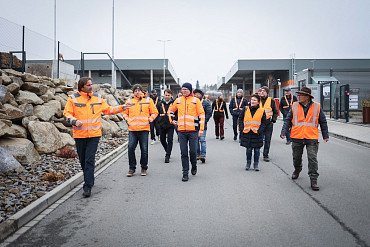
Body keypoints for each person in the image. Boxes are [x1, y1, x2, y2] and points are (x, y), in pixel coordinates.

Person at [63, 77, 130, 198]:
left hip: (94, 135)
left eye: (91, 84)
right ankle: (90, 179)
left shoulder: (98, 98)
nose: (91, 86)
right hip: (80, 134)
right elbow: (66, 114)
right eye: (88, 85)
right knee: (83, 160)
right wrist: (74, 121)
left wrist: (122, 107)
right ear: (81, 87)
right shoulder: (73, 99)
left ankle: (87, 186)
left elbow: (108, 110)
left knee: (89, 159)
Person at [280, 87, 329, 191]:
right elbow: (288, 120)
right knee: (296, 157)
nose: (299, 96)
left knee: (312, 158)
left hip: (311, 137)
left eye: (301, 95)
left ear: (307, 97)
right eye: (298, 94)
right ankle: (297, 169)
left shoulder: (317, 106)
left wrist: (325, 135)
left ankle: (313, 179)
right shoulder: (294, 105)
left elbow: (323, 121)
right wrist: (284, 131)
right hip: (297, 136)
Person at [169, 83, 205, 182]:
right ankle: (185, 173)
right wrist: (172, 120)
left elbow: (202, 114)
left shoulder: (196, 101)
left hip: (193, 131)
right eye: (182, 89)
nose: (184, 91)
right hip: (181, 131)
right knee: (183, 153)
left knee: (193, 152)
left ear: (190, 90)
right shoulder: (178, 100)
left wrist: (201, 129)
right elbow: (171, 111)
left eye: (186, 89)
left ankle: (194, 165)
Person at [123, 84, 158, 177]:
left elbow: (155, 112)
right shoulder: (129, 101)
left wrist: (150, 119)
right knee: (130, 148)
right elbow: (124, 113)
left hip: (144, 129)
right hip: (132, 129)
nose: (137, 92)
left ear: (142, 91)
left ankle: (144, 167)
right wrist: (128, 120)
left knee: (144, 149)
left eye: (139, 90)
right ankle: (132, 168)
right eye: (135, 90)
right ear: (133, 92)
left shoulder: (148, 101)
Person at [239, 94, 266, 171]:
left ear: (258, 102)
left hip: (257, 133)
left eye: (254, 100)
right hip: (247, 132)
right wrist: (241, 128)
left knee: (257, 150)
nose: (252, 101)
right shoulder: (245, 109)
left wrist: (260, 131)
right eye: (252, 100)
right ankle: (248, 163)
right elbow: (240, 119)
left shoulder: (261, 110)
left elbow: (264, 122)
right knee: (249, 149)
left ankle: (256, 164)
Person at [258, 86, 278, 161]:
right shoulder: (257, 100)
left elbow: (275, 111)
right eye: (261, 90)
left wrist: (273, 120)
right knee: (259, 139)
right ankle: (257, 152)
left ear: (267, 92)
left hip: (268, 123)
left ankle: (265, 155)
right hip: (259, 123)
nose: (262, 92)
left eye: (264, 91)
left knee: (267, 140)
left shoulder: (271, 100)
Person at [193, 89, 212, 163]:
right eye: (195, 94)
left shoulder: (205, 103)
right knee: (196, 140)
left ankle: (203, 155)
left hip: (203, 124)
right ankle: (198, 154)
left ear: (202, 95)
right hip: (194, 124)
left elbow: (209, 112)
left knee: (202, 140)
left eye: (198, 94)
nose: (197, 96)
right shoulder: (193, 103)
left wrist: (204, 121)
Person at [157, 88, 175, 163]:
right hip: (162, 124)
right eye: (166, 95)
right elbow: (156, 113)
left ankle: (167, 155)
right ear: (163, 95)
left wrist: (175, 120)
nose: (167, 96)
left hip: (171, 125)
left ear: (171, 96)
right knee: (162, 139)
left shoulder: (174, 103)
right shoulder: (160, 103)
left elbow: (177, 113)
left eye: (168, 95)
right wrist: (158, 121)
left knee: (170, 140)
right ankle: (167, 149)